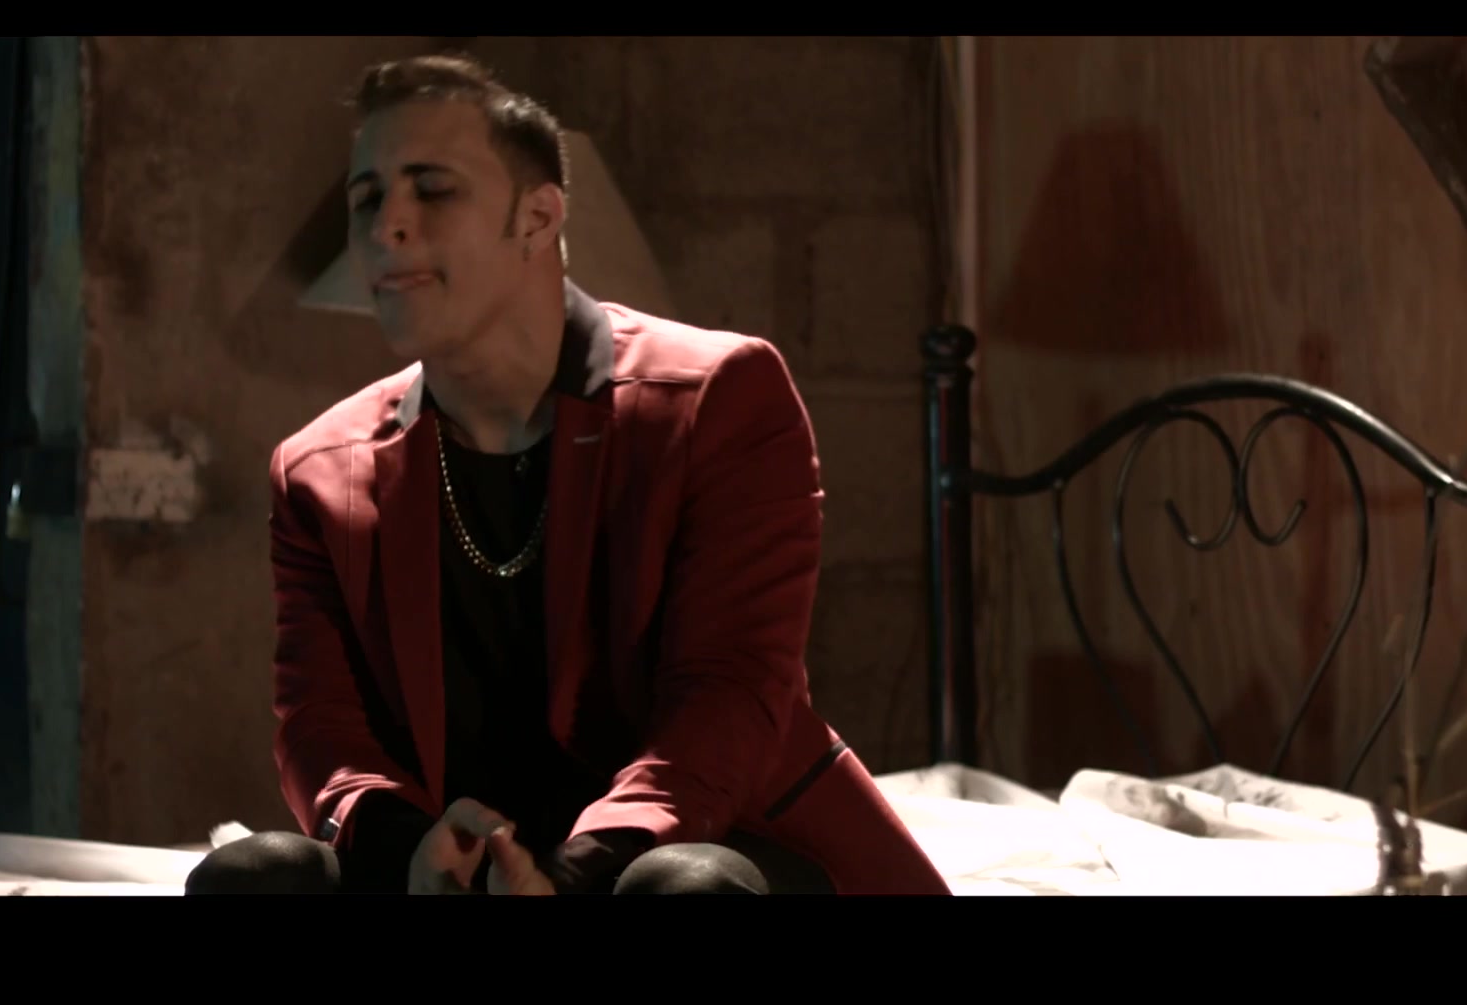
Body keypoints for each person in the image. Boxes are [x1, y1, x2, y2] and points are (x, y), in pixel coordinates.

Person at [186, 53, 950, 896]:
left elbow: (727, 701)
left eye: (432, 188)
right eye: (367, 198)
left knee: (687, 888)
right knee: (253, 875)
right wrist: (408, 848)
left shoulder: (717, 397)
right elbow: (322, 729)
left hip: (686, 842)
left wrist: (573, 877)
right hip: (460, 869)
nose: (385, 226)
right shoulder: (319, 468)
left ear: (538, 216)